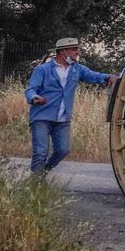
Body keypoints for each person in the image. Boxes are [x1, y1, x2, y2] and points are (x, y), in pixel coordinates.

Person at [23, 37, 116, 175]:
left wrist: (108, 77)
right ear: (63, 51)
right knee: (40, 152)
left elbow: (93, 76)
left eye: (77, 49)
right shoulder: (42, 69)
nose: (77, 52)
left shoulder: (77, 69)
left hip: (63, 119)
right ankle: (35, 183)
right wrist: (34, 98)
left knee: (63, 150)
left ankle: (43, 172)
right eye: (74, 49)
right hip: (42, 116)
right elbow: (30, 89)